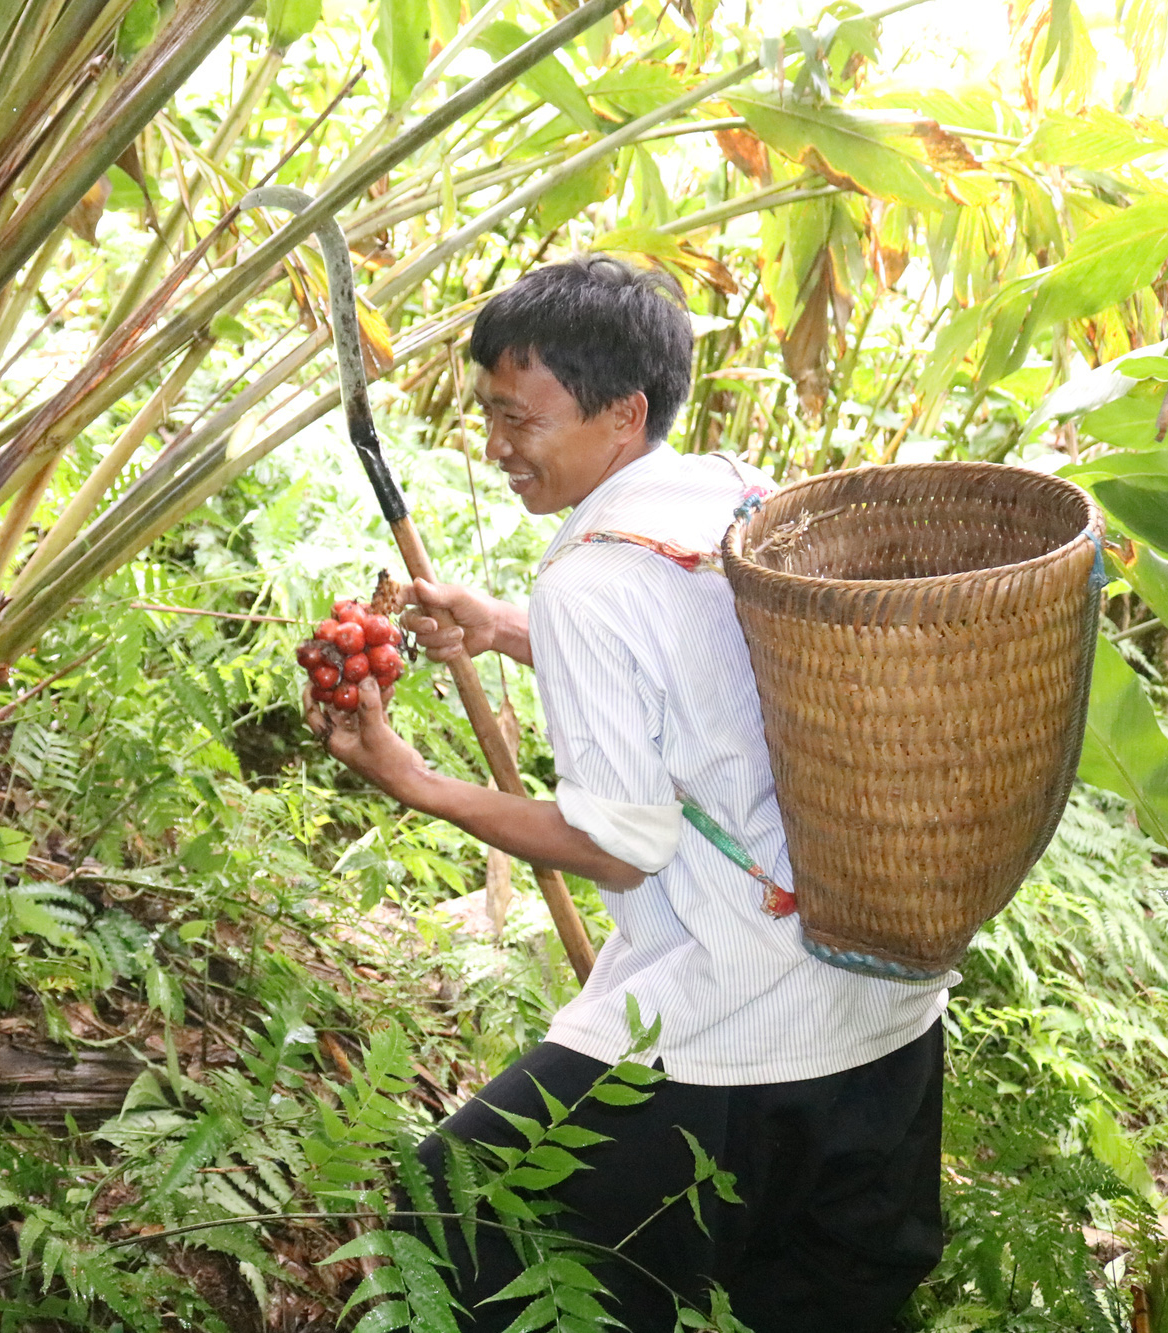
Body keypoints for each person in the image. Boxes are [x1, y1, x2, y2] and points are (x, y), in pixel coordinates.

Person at [306, 256, 951, 1332]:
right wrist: (503, 627)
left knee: (445, 1221)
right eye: (488, 416)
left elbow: (615, 846)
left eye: (521, 419)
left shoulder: (588, 579)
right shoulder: (730, 491)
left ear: (622, 412)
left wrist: (413, 781)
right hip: (886, 999)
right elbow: (708, 675)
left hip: (735, 1023)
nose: (498, 446)